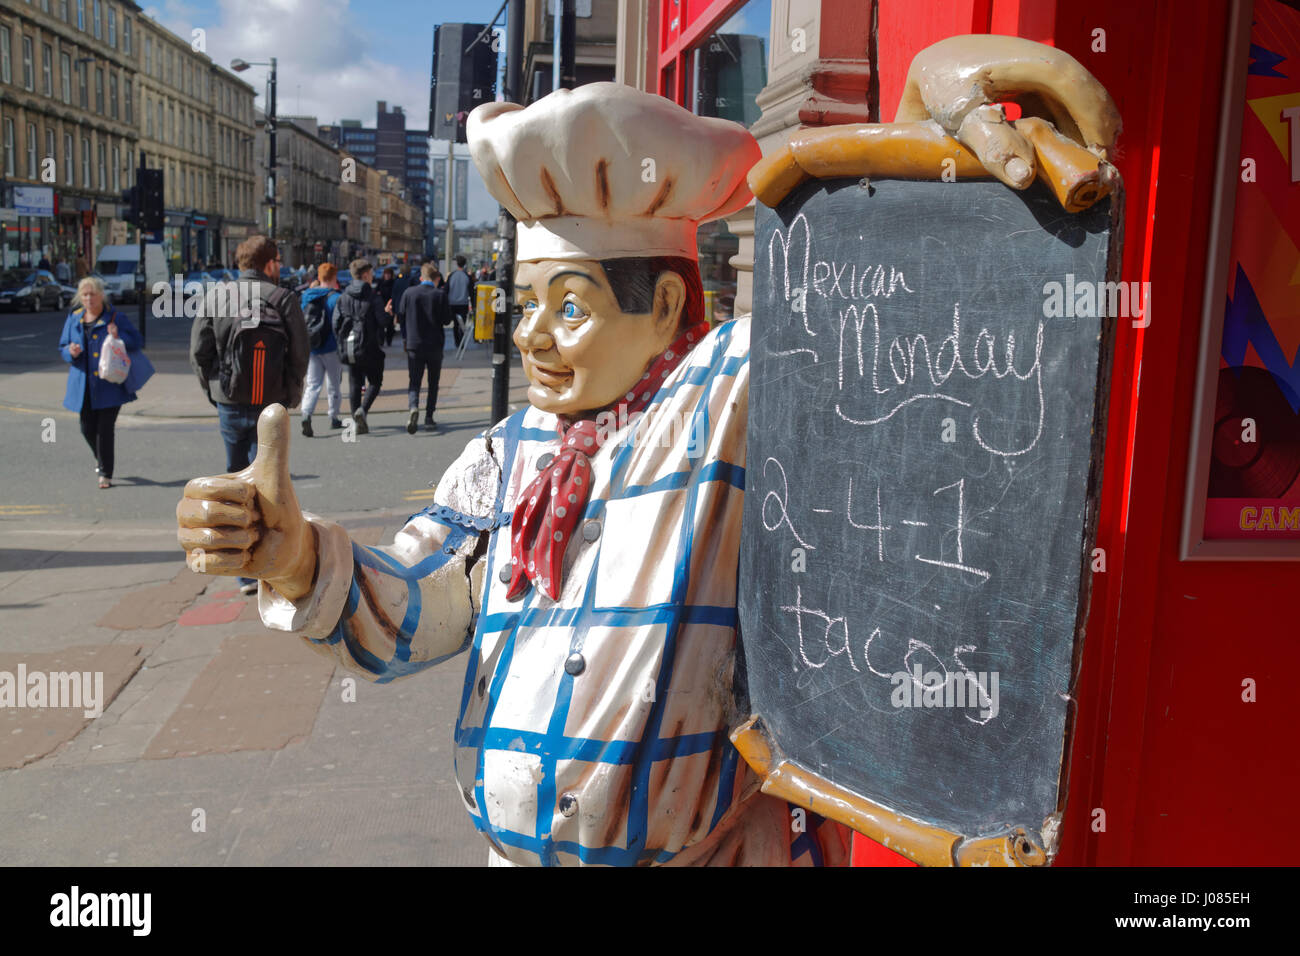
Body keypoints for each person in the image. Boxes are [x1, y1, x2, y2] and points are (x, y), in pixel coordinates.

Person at [177, 43, 1116, 865]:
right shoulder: (506, 457)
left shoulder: (729, 397)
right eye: (526, 302)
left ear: (665, 307)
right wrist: (294, 555)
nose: (534, 337)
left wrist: (922, 141)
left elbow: (868, 305)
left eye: (572, 306)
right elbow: (422, 607)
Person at [190, 235, 309, 594]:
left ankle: (242, 571)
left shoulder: (216, 297)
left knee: (235, 484)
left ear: (240, 263)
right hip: (270, 408)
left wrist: (215, 393)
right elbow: (300, 356)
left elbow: (199, 353)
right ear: (270, 263)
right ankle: (272, 567)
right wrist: (288, 399)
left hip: (229, 401)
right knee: (271, 488)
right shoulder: (283, 298)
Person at [58, 276, 143, 490]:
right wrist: (70, 351)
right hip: (83, 385)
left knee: (105, 429)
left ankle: (105, 473)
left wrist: (118, 335)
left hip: (109, 385)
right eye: (84, 295)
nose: (88, 299)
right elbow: (62, 346)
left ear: (101, 295)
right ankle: (100, 457)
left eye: (92, 294)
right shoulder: (75, 318)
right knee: (86, 427)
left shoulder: (115, 317)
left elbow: (137, 340)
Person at [332, 257, 389, 435]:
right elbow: (383, 322)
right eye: (371, 274)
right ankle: (362, 410)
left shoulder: (343, 297)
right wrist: (387, 314)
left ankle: (355, 421)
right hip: (370, 347)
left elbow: (336, 323)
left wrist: (342, 340)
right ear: (365, 276)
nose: (372, 277)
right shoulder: (373, 297)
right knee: (375, 381)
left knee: (354, 384)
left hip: (350, 347)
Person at [396, 263, 448, 434]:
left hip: (414, 344)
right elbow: (447, 320)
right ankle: (429, 418)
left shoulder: (409, 293)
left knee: (414, 381)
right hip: (435, 344)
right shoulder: (439, 294)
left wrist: (405, 336)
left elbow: (401, 317)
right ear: (437, 279)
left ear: (421, 277)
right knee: (433, 383)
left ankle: (413, 407)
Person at [299, 262, 345, 436]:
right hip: (332, 347)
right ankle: (333, 417)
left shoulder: (307, 296)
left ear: (318, 277)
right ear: (334, 278)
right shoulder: (336, 297)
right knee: (334, 384)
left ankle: (306, 414)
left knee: (313, 383)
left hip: (312, 346)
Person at [446, 255, 471, 348]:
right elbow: (471, 292)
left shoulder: (451, 276)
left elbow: (446, 290)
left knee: (455, 324)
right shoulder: (467, 276)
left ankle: (457, 341)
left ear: (456, 264)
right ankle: (461, 342)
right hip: (463, 304)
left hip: (452, 303)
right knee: (462, 324)